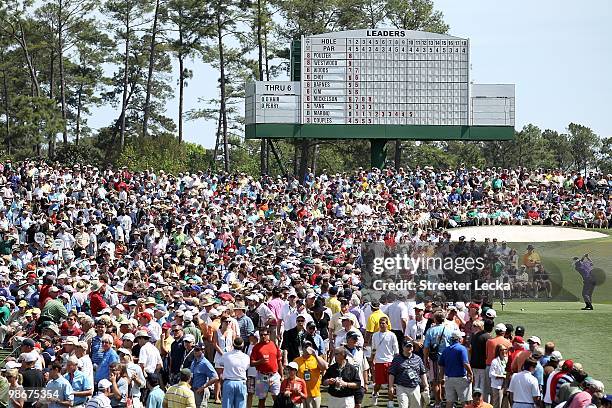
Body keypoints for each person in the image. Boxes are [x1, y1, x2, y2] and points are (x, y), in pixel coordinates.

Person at [388, 340, 428, 408]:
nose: (409, 348)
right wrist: (391, 386)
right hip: (401, 387)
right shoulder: (397, 359)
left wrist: (426, 385)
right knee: (403, 406)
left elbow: (422, 373)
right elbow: (392, 373)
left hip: (415, 387)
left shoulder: (418, 358)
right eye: (407, 346)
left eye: (411, 346)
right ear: (403, 347)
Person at [438, 331, 473, 408]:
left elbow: (441, 366)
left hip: (449, 379)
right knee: (466, 403)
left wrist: (441, 378)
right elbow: (465, 363)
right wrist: (470, 373)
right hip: (461, 379)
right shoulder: (462, 349)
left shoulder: (446, 350)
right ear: (459, 339)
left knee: (449, 403)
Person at [250, 327, 283, 408]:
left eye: (265, 334)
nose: (263, 336)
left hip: (274, 375)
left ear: (269, 334)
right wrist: (260, 361)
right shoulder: (256, 347)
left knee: (277, 399)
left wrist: (281, 375)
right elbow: (251, 363)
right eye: (261, 335)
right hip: (261, 376)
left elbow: (279, 361)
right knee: (261, 399)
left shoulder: (274, 345)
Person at [371, 316, 399, 405]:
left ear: (387, 324)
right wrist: (372, 359)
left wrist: (396, 362)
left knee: (390, 384)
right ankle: (375, 394)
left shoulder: (392, 335)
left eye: (383, 323)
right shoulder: (375, 335)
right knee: (378, 384)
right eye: (380, 323)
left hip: (390, 362)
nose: (381, 325)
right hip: (379, 362)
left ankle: (390, 402)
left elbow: (396, 350)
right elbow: (373, 349)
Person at [294, 340, 328, 408]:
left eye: (310, 346)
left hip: (314, 393)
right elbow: (293, 375)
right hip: (301, 393)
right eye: (306, 346)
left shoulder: (317, 359)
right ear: (302, 348)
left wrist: (315, 355)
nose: (308, 348)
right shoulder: (297, 360)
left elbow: (325, 367)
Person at [219, 337, 250, 408]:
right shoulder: (246, 357)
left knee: (227, 405)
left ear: (233, 345)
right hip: (241, 382)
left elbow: (220, 363)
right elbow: (246, 367)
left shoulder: (226, 355)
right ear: (242, 345)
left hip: (229, 382)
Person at [489, 344, 508, 408]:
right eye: (501, 350)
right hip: (497, 386)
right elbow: (491, 374)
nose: (504, 351)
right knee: (497, 404)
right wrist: (501, 376)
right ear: (498, 351)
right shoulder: (495, 361)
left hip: (505, 385)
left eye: (505, 349)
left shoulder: (506, 360)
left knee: (505, 404)